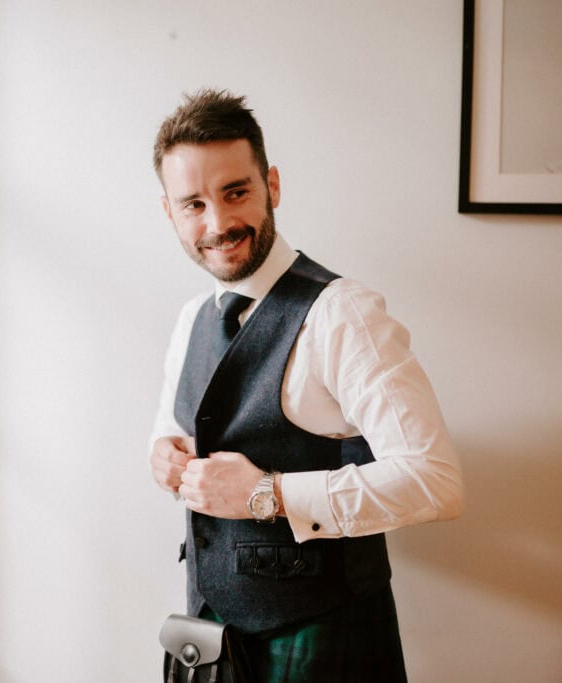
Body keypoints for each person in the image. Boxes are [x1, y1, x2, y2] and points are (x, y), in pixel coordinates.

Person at [149, 89, 463, 682]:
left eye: (235, 192)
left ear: (271, 185)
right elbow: (173, 429)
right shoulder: (192, 319)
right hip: (213, 639)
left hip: (324, 638)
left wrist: (267, 494)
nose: (218, 224)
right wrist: (162, 456)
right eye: (193, 204)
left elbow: (434, 481)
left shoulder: (344, 314)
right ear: (170, 212)